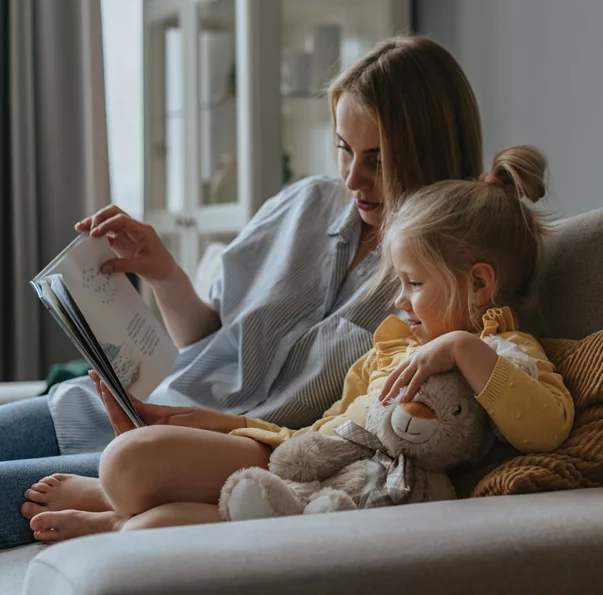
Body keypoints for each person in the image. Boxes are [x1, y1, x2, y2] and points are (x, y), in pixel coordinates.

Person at [3, 34, 484, 547]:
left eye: (378, 161)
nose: (352, 179)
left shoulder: (441, 279)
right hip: (126, 401)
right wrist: (164, 272)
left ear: (430, 154)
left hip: (193, 454)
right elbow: (212, 337)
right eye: (344, 150)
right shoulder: (305, 204)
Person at [34, 146, 574, 537]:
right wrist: (232, 425)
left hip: (349, 499)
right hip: (307, 471)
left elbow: (547, 428)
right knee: (127, 460)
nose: (399, 301)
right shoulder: (387, 351)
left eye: (412, 284)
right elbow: (320, 432)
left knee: (146, 527)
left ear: (479, 283)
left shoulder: (507, 352)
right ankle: (117, 501)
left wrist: (461, 348)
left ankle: (114, 517)